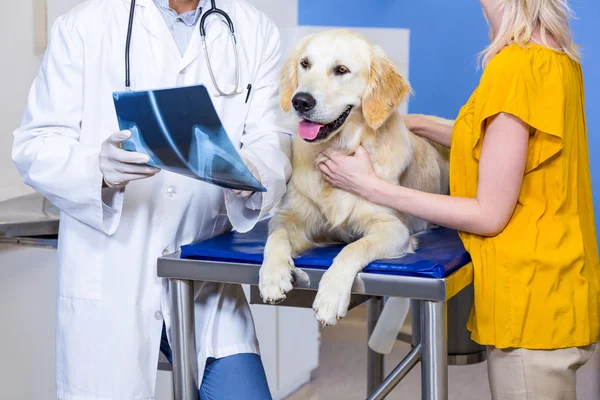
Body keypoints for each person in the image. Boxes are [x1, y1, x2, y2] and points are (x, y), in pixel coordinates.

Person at [317, 0, 599, 399]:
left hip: (530, 299)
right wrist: (411, 125)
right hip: (561, 282)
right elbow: (505, 148)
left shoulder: (513, 69)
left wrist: (370, 186)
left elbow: (488, 215)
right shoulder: (552, 53)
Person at [12, 0, 292, 399]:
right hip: (112, 276)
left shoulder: (252, 28)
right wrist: (100, 170)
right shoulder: (84, 25)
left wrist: (253, 172)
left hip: (205, 282)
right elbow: (36, 145)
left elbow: (272, 138)